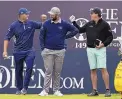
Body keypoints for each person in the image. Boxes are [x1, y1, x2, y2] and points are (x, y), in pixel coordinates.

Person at [69, 7, 113, 97]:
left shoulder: (105, 24)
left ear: (97, 15)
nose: (90, 15)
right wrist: (74, 22)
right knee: (93, 70)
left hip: (100, 49)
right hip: (90, 49)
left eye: (92, 13)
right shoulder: (89, 24)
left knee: (103, 69)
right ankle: (94, 90)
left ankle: (107, 90)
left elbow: (110, 37)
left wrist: (103, 44)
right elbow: (80, 30)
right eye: (91, 13)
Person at [39, 7, 78, 96]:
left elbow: (75, 30)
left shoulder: (64, 24)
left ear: (57, 14)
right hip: (48, 51)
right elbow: (41, 36)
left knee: (57, 71)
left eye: (52, 14)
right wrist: (43, 48)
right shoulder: (46, 24)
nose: (51, 15)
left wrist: (65, 37)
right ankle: (45, 91)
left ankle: (56, 90)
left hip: (60, 51)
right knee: (48, 71)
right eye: (50, 14)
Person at [3, 8, 42, 95]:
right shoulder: (13, 26)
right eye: (26, 14)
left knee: (29, 67)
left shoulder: (32, 23)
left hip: (29, 51)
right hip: (18, 52)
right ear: (21, 14)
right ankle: (19, 88)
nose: (28, 15)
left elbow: (43, 25)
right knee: (18, 71)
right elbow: (7, 38)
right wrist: (5, 51)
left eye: (28, 13)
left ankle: (25, 88)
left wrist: (44, 20)